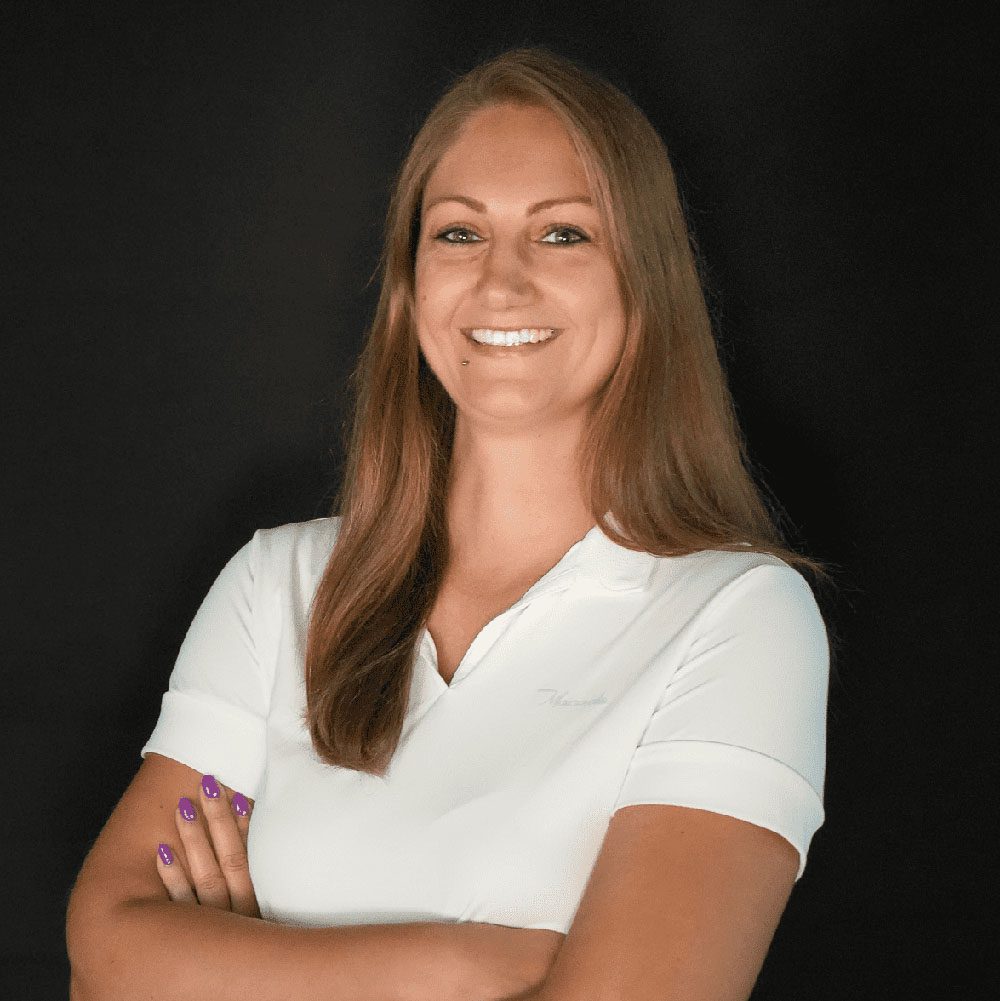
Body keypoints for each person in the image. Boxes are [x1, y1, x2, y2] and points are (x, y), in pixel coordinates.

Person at [66, 44, 832, 1001]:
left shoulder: (741, 616)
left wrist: (235, 969)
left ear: (646, 282)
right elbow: (106, 952)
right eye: (459, 234)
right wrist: (476, 965)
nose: (501, 282)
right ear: (410, 285)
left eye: (563, 235)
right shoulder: (279, 586)